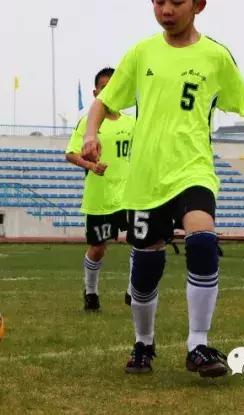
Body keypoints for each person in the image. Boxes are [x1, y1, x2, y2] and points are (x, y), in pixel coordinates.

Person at [80, 0, 244, 377]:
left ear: (198, 5)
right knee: (146, 266)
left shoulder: (215, 57)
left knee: (203, 240)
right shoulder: (141, 53)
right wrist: (90, 133)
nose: (166, 10)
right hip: (146, 178)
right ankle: (143, 344)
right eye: (159, 1)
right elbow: (104, 101)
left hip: (193, 170)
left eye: (176, 2)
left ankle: (198, 345)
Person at [66, 67, 135, 312]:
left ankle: (133, 291)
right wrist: (90, 165)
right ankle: (91, 291)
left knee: (141, 241)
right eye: (103, 88)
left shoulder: (132, 122)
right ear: (96, 92)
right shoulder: (89, 122)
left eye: (113, 87)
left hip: (130, 195)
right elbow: (70, 153)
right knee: (98, 247)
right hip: (101, 196)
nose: (109, 92)